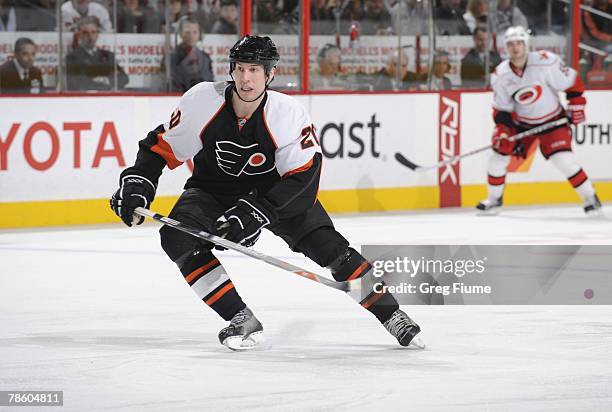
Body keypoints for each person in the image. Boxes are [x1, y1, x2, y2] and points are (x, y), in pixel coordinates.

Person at [110, 35, 422, 351]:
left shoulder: (287, 114)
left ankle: (391, 314)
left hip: (275, 194)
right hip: (213, 190)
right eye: (241, 69)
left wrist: (254, 212)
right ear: (231, 70)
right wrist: (137, 184)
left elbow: (303, 179)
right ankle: (240, 317)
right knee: (176, 237)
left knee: (332, 251)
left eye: (255, 70)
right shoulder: (202, 101)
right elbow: (159, 149)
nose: (246, 79)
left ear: (270, 74)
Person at [476, 26, 602, 216]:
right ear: (505, 48)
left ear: (526, 44)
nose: (515, 48)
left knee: (564, 161)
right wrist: (503, 130)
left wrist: (576, 104)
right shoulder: (501, 74)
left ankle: (591, 198)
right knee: (497, 158)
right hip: (522, 125)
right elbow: (501, 109)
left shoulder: (546, 62)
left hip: (553, 121)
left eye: (519, 43)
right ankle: (494, 200)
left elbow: (572, 82)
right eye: (511, 44)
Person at [66, 17, 129, 91]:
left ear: (97, 35)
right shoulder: (72, 57)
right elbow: (76, 82)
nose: (90, 37)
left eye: (93, 32)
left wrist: (106, 80)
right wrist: (105, 84)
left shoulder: (108, 56)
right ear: (79, 35)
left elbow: (124, 78)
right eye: (85, 33)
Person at [163, 17, 214, 92]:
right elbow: (172, 84)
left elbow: (210, 82)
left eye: (195, 32)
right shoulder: (171, 58)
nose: (191, 36)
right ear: (180, 33)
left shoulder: (205, 58)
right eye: (187, 32)